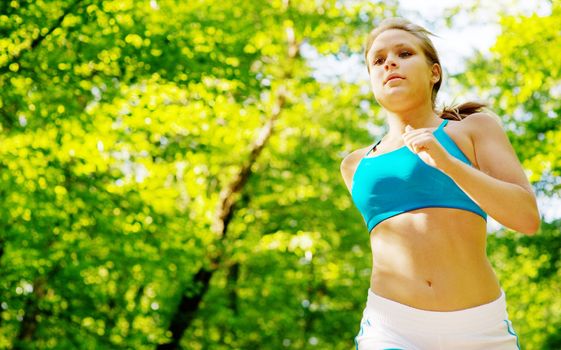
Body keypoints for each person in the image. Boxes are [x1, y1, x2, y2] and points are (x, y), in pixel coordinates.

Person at [339, 17, 540, 350]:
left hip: (480, 328)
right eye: (378, 60)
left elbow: (526, 218)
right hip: (390, 328)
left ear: (434, 72)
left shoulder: (473, 129)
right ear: (372, 80)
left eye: (404, 53)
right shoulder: (355, 165)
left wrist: (447, 164)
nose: (390, 62)